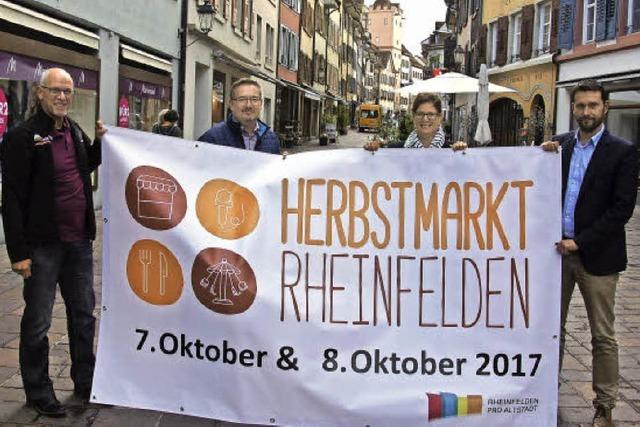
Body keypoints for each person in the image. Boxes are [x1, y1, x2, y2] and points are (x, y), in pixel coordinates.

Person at [1, 68, 107, 417]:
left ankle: (85, 381)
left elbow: (84, 167)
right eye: (56, 91)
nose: (63, 97)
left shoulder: (73, 130)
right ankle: (37, 391)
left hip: (78, 243)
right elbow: (12, 198)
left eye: (68, 91)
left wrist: (101, 144)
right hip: (43, 246)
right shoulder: (22, 136)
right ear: (40, 93)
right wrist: (18, 253)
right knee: (38, 322)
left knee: (83, 316)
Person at [542, 79, 638, 427]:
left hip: (597, 256)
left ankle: (605, 405)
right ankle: (545, 392)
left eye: (593, 106)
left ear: (605, 108)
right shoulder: (559, 146)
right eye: (580, 106)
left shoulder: (623, 151)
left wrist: (580, 241)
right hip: (557, 254)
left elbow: (621, 209)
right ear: (573, 107)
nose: (586, 112)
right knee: (553, 328)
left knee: (602, 335)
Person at [198, 78, 279, 154]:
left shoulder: (271, 139)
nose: (248, 105)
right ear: (231, 104)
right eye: (242, 99)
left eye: (254, 99)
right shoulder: (212, 138)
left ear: (261, 104)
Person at [364, 92, 466, 151]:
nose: (425, 119)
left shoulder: (452, 151)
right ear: (413, 116)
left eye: (430, 114)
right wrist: (372, 154)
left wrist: (463, 155)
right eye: (420, 114)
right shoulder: (394, 150)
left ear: (439, 117)